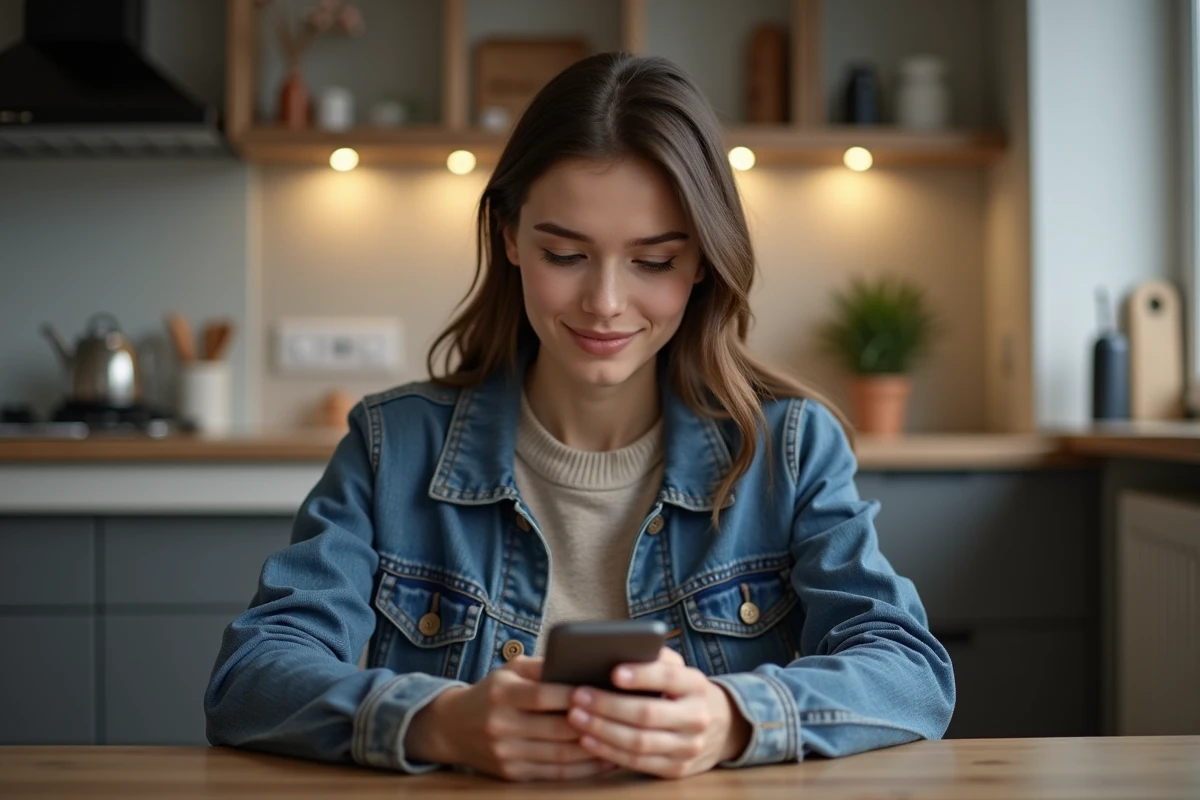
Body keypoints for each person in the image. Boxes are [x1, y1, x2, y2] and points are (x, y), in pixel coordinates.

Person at [204, 51, 954, 781]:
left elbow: (908, 670)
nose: (604, 302)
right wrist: (438, 721)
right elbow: (251, 677)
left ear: (701, 262)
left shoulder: (789, 447)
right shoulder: (390, 445)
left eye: (653, 261)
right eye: (565, 254)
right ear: (510, 238)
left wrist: (733, 717)